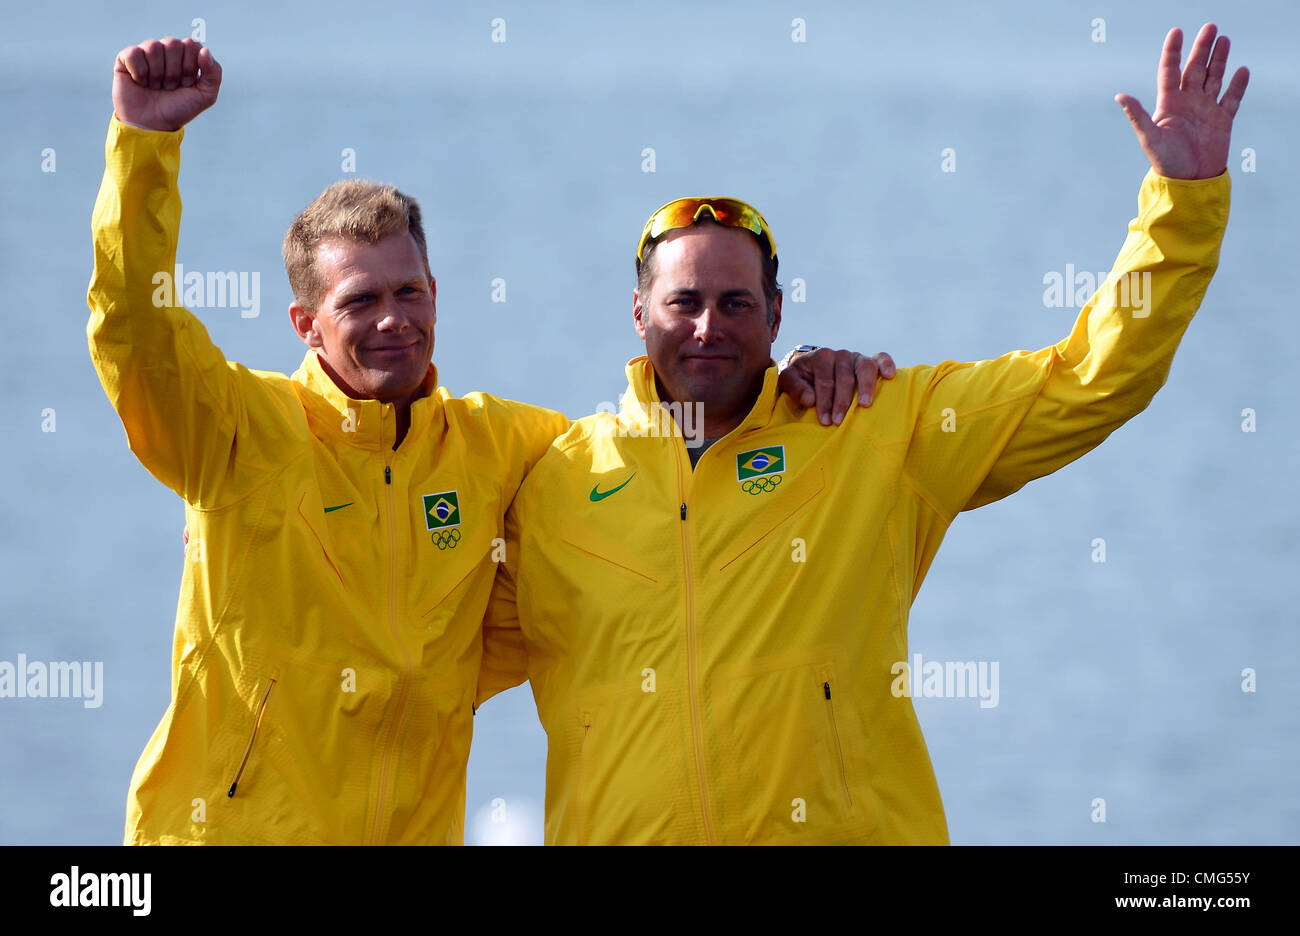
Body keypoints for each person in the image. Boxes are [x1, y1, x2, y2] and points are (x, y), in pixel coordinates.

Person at [88, 36, 889, 844]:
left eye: (408, 292)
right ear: (306, 325)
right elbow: (134, 329)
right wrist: (145, 150)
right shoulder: (230, 431)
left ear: (436, 294)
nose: (393, 320)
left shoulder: (504, 446)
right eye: (360, 301)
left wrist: (789, 372)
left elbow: (655, 444)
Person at [480, 23, 1249, 844]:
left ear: (777, 315)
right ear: (639, 314)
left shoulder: (871, 427)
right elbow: (408, 649)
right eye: (684, 303)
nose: (710, 327)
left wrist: (1182, 205)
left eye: (737, 304)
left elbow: (1091, 378)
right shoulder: (555, 485)